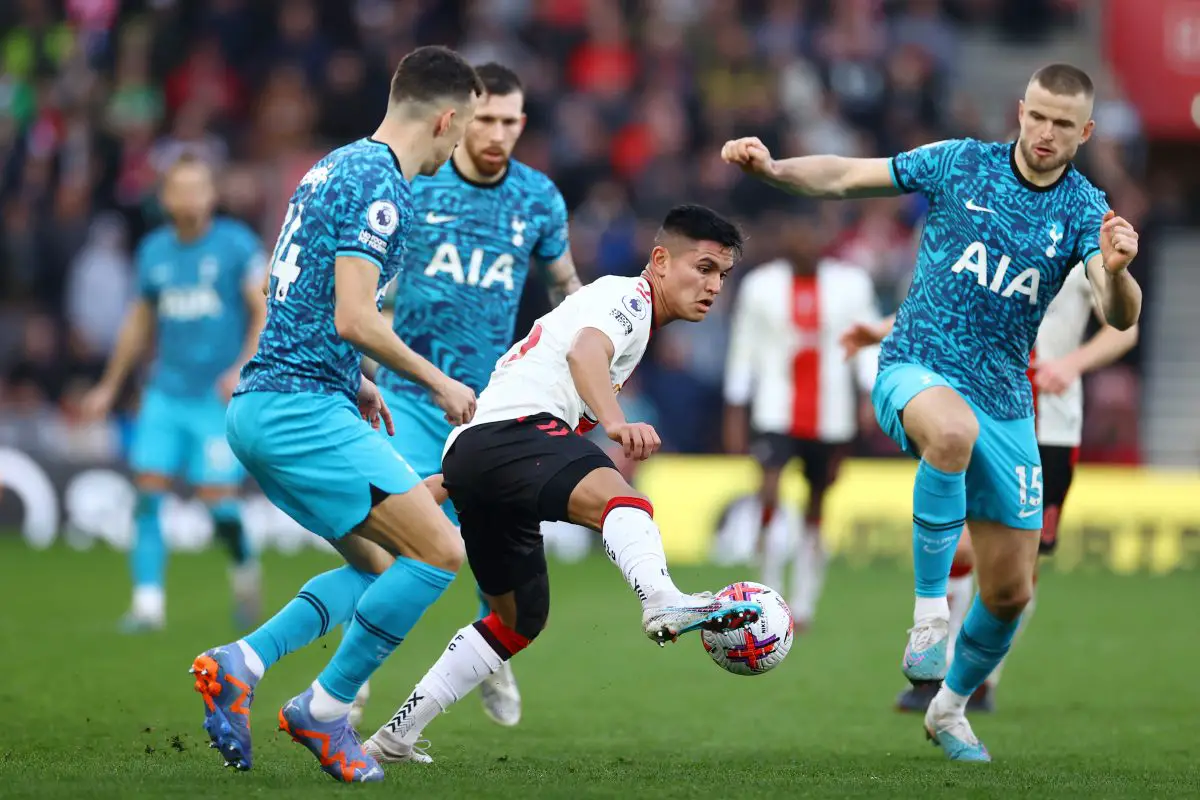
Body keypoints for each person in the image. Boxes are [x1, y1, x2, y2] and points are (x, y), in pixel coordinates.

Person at [722, 63, 1142, 761]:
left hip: (1008, 401)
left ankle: (950, 708)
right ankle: (927, 624)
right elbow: (845, 175)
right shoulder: (960, 164)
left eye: (1062, 124)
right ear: (1020, 109)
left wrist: (1120, 268)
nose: (1044, 133)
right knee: (950, 431)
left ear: (1085, 132)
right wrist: (772, 169)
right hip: (916, 365)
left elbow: (1117, 313)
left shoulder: (1086, 211)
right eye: (1037, 116)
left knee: (1011, 591)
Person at [361, 205, 761, 764]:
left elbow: (529, 386)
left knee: (517, 620)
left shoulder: (626, 313)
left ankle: (395, 735)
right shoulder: (628, 298)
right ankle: (661, 598)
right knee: (623, 499)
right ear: (661, 260)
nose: (714, 285)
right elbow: (584, 354)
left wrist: (447, 485)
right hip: (514, 436)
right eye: (704, 267)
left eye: (723, 274)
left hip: (479, 455)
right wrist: (616, 422)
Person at [186, 46, 483, 784]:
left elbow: (320, 299)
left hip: (275, 402)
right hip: (297, 410)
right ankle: (324, 711)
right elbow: (355, 315)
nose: (463, 144)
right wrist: (437, 381)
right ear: (445, 118)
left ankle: (241, 663)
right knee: (441, 551)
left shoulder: (335, 164)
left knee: (380, 564)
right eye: (466, 127)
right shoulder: (383, 188)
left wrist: (360, 379)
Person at [362, 61, 581, 731]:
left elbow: (567, 291)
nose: (497, 134)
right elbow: (371, 286)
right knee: (394, 544)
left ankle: (492, 649)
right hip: (408, 395)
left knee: (491, 551)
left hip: (493, 410)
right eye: (484, 118)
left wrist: (587, 357)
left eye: (510, 122)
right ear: (460, 117)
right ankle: (355, 680)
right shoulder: (419, 184)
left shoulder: (539, 200)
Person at [885, 260, 1139, 712]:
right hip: (985, 417)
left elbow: (1125, 328)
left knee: (1021, 571)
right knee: (962, 547)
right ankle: (938, 667)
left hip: (1052, 432)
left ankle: (980, 681)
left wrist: (1071, 365)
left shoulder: (1086, 250)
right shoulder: (990, 239)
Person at [80, 154, 266, 633]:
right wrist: (109, 385)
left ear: (211, 195)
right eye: (179, 189)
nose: (188, 197)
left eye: (197, 187)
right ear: (165, 198)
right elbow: (139, 321)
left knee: (216, 502)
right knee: (148, 493)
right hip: (165, 392)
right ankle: (147, 605)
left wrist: (243, 367)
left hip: (216, 398)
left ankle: (244, 564)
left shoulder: (235, 244)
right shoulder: (154, 251)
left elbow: (261, 309)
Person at [722, 208, 881, 631]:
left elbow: (865, 344)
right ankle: (768, 593)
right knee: (769, 493)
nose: (801, 241)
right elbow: (744, 348)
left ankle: (805, 601)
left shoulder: (851, 284)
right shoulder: (760, 286)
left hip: (831, 414)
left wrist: (869, 395)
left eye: (808, 232)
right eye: (792, 232)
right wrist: (736, 407)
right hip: (776, 408)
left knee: (816, 505)